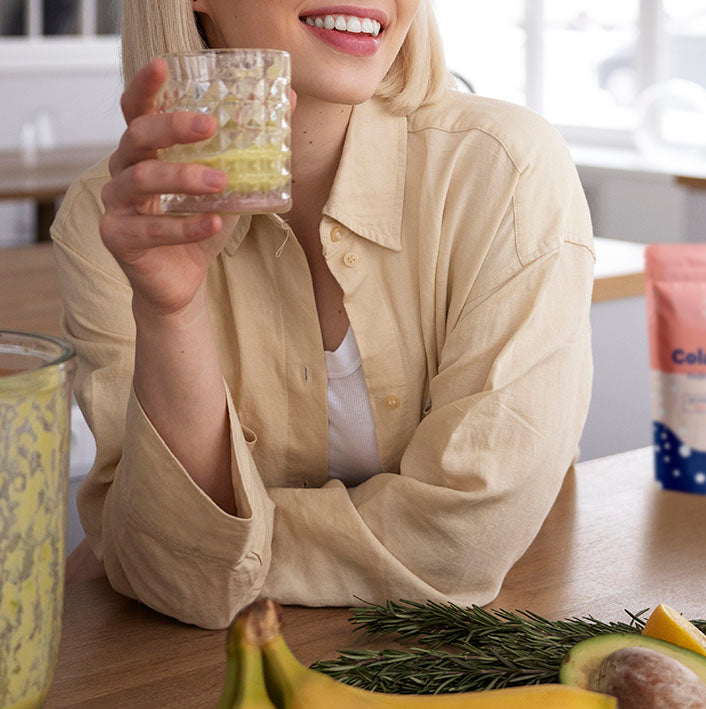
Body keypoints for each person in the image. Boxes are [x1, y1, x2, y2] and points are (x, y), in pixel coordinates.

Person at [55, 0, 595, 630]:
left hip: (494, 640)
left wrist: (179, 553)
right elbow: (167, 571)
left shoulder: (505, 168)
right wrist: (171, 312)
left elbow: (466, 540)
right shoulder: (113, 219)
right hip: (208, 665)